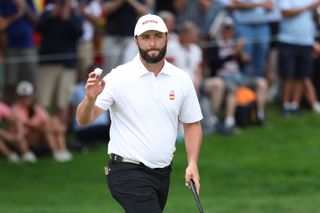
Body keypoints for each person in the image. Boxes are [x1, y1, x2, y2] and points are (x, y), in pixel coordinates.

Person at [76, 14, 203, 212]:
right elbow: (85, 119)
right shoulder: (119, 77)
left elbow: (192, 124)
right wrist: (90, 98)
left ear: (167, 37)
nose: (152, 43)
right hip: (127, 170)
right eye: (146, 37)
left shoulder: (181, 79)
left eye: (157, 36)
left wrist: (192, 163)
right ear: (136, 40)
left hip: (162, 174)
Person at [12, 81, 73, 162]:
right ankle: (58, 151)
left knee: (54, 121)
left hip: (41, 131)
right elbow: (27, 126)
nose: (25, 99)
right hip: (28, 136)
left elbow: (46, 119)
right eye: (23, 97)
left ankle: (61, 150)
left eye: (27, 96)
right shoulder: (16, 109)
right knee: (48, 127)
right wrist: (44, 126)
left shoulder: (36, 107)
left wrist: (50, 125)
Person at [277, 0, 320, 116]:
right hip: (288, 39)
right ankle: (285, 105)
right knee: (288, 74)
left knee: (302, 75)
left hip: (306, 41)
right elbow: (285, 13)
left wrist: (315, 10)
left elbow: (316, 17)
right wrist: (308, 7)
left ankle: (295, 105)